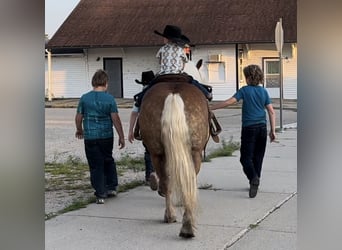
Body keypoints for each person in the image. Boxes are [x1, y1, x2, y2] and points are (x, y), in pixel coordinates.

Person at [210, 64, 276, 198]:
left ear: (248, 78)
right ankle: (255, 180)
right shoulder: (264, 92)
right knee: (258, 157)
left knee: (245, 158)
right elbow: (271, 111)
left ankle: (253, 178)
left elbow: (230, 102)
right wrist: (273, 131)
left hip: (249, 129)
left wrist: (212, 107)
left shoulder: (244, 91)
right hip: (262, 128)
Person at [75, 69, 125, 204]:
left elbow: (79, 117)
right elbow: (115, 119)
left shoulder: (84, 98)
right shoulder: (110, 99)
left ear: (93, 82)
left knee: (95, 164)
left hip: (91, 136)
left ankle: (100, 193)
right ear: (106, 83)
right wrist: (121, 136)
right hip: (106, 136)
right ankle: (111, 186)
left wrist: (79, 130)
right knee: (108, 159)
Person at [134, 24, 212, 108]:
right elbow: (184, 64)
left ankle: (139, 100)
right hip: (178, 74)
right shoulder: (180, 49)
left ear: (167, 39)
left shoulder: (162, 49)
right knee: (193, 82)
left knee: (150, 86)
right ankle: (207, 93)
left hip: (163, 75)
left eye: (164, 37)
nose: (163, 39)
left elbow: (160, 62)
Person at [128, 71, 155, 185]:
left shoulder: (142, 95)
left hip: (147, 127)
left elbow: (134, 112)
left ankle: (149, 176)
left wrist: (131, 130)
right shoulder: (158, 92)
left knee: (148, 152)